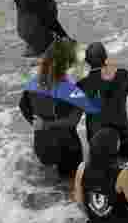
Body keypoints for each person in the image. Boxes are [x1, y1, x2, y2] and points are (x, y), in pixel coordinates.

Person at [20, 39, 99, 177]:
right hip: (66, 147)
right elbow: (74, 120)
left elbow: (22, 106)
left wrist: (38, 125)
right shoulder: (70, 90)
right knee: (70, 188)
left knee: (48, 188)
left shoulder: (33, 83)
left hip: (42, 145)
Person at [79, 43, 128, 159]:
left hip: (98, 145)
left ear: (87, 61)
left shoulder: (82, 85)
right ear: (106, 58)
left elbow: (71, 120)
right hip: (126, 140)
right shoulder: (123, 75)